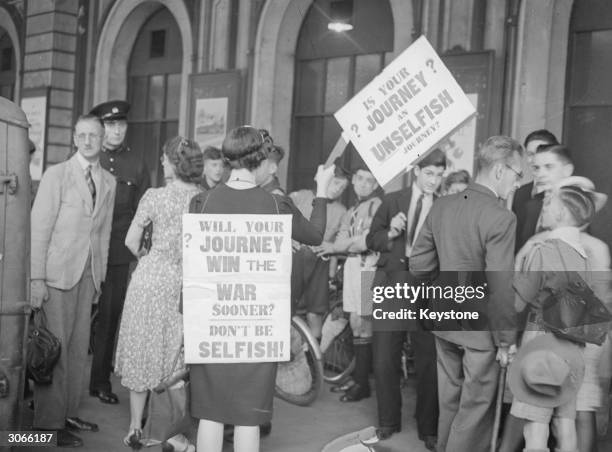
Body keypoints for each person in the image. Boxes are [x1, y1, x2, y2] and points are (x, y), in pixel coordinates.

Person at [188, 125, 335, 452]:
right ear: (259, 159)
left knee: (210, 414)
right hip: (258, 324)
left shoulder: (201, 201)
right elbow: (315, 236)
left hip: (212, 323)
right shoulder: (276, 205)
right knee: (248, 417)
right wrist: (321, 190)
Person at [409, 136, 523, 452]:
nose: (517, 184)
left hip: (444, 320)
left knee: (449, 401)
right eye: (517, 175)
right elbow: (500, 285)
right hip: (480, 330)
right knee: (475, 409)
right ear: (500, 170)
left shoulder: (442, 206)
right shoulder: (501, 217)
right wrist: (506, 339)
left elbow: (418, 264)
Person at [30, 114, 116, 448]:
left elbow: (104, 234)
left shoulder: (106, 180)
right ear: (74, 138)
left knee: (79, 350)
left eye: (93, 135)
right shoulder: (57, 175)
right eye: (81, 135)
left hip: (86, 277)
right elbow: (39, 230)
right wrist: (37, 278)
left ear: (102, 137)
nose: (87, 141)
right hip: (55, 275)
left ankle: (66, 413)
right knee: (55, 348)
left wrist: (100, 278)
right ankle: (46, 425)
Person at [113, 136, 203, 450]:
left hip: (151, 280)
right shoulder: (204, 199)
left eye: (164, 158)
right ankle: (173, 429)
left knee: (142, 350)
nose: (162, 162)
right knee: (174, 354)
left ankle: (135, 427)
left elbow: (130, 241)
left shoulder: (154, 196)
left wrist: (148, 256)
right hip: (184, 283)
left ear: (172, 162)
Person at [510, 180, 608, 452]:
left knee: (535, 424)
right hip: (573, 347)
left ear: (563, 213)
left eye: (550, 203)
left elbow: (518, 303)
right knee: (565, 422)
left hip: (542, 343)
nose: (545, 208)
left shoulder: (544, 251)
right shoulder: (584, 255)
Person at [365, 148, 446, 447]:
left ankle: (428, 427)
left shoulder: (444, 206)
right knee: (384, 357)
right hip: (391, 284)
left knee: (429, 360)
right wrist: (390, 233)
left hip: (427, 289)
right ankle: (387, 421)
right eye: (429, 173)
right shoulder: (391, 201)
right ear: (417, 171)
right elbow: (371, 239)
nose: (433, 181)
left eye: (439, 175)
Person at [88, 100, 150, 405]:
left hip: (116, 254)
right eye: (111, 125)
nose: (116, 130)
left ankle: (99, 381)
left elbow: (143, 213)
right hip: (84, 252)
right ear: (101, 128)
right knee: (70, 320)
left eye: (121, 125)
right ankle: (56, 383)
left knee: (109, 317)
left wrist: (141, 253)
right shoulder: (89, 158)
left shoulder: (137, 164)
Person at [314, 166, 381, 402]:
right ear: (353, 180)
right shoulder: (352, 209)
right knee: (354, 323)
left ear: (375, 185)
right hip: (353, 267)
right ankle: (357, 379)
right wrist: (339, 246)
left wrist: (336, 247)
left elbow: (365, 241)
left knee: (362, 323)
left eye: (369, 181)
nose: (363, 184)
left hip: (367, 268)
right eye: (360, 179)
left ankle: (362, 384)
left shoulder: (376, 206)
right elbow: (344, 237)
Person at [290, 161, 350, 339]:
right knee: (288, 308)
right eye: (336, 182)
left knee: (315, 313)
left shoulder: (341, 211)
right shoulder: (301, 196)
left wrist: (332, 268)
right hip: (294, 261)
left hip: (319, 266)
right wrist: (288, 238)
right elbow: (278, 218)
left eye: (343, 187)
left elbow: (340, 243)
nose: (338, 189)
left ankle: (313, 356)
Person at [511, 130, 559, 252]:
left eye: (540, 152)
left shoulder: (565, 191)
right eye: (530, 154)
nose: (534, 160)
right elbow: (516, 238)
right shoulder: (520, 193)